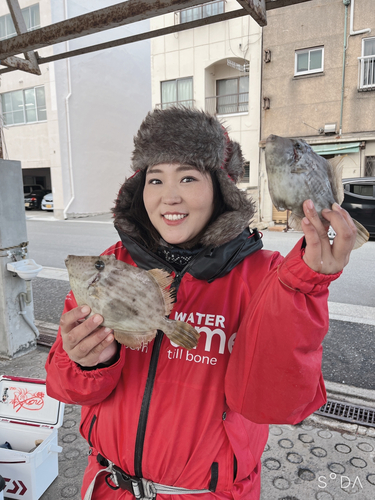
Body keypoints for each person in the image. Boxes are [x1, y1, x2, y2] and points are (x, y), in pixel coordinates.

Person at [45, 107, 356, 500]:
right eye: (155, 178)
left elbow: (277, 405)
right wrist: (88, 362)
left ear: (221, 190)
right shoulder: (110, 266)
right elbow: (65, 388)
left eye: (188, 177)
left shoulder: (272, 278)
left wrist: (306, 285)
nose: (169, 196)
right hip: (109, 486)